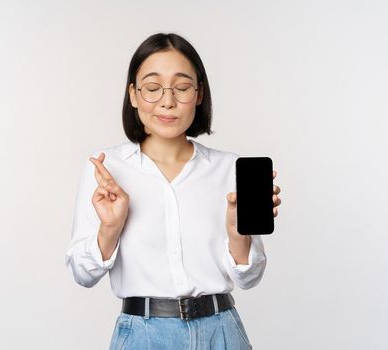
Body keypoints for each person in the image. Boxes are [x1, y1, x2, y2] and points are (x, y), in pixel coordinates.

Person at [64, 33, 282, 350]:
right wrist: (109, 229)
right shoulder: (107, 168)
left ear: (198, 94)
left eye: (181, 88)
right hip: (143, 335)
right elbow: (82, 274)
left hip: (221, 332)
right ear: (134, 95)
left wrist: (238, 234)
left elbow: (249, 279)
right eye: (152, 89)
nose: (168, 101)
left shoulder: (229, 169)